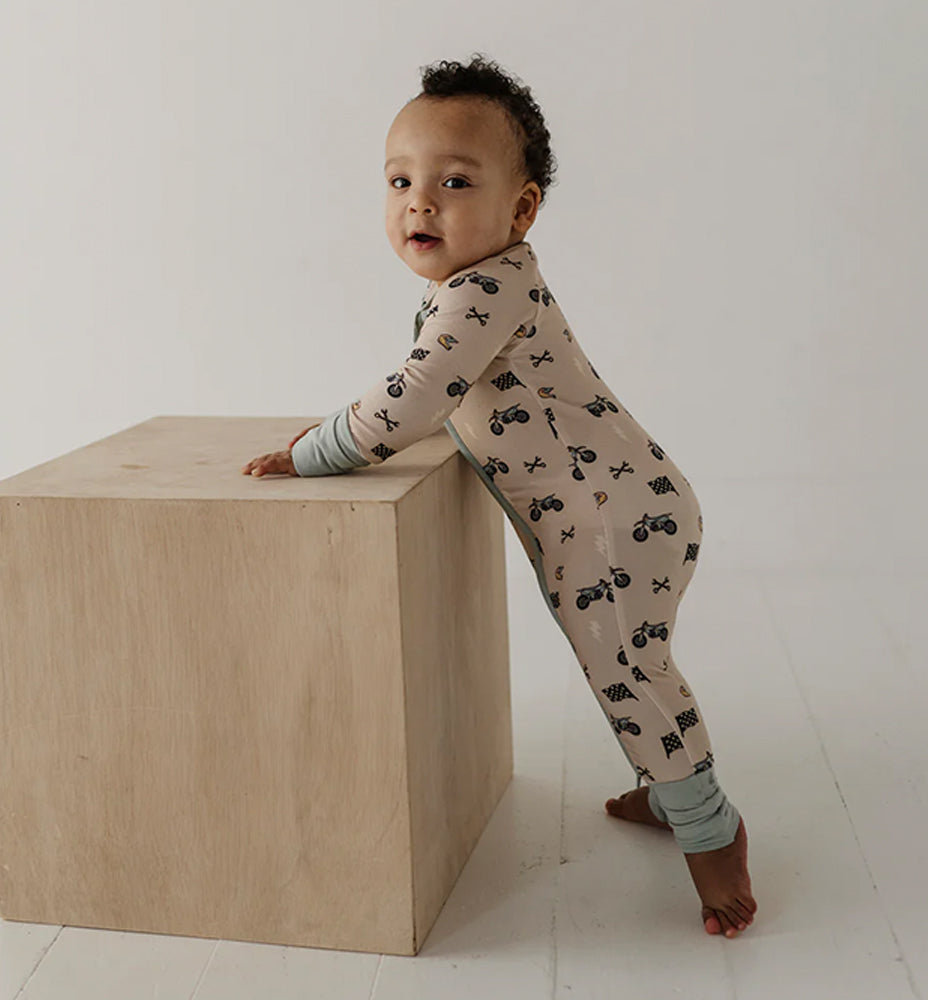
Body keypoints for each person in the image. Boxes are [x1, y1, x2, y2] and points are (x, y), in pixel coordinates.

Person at [241, 53, 757, 939]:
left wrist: (319, 449)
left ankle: (713, 835)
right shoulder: (478, 287)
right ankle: (664, 789)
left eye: (453, 180)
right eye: (400, 179)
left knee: (632, 672)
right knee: (630, 666)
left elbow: (414, 394)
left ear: (520, 210)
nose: (419, 202)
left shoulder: (485, 291)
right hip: (616, 514)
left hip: (614, 524)